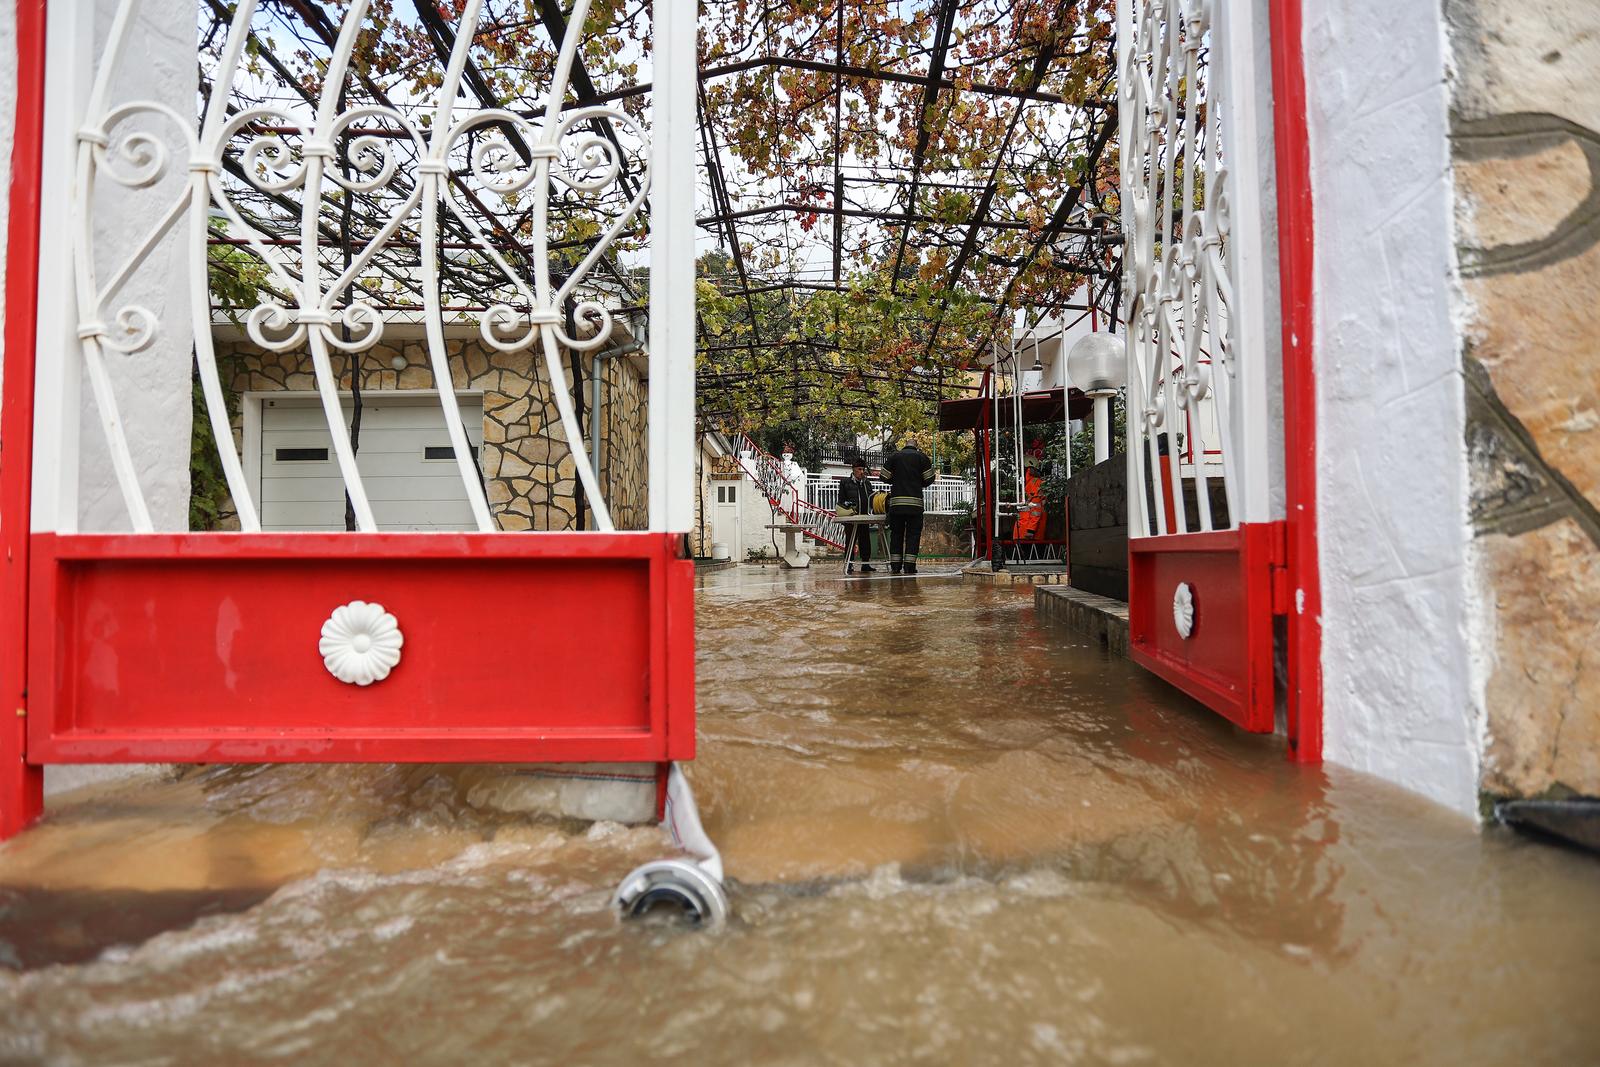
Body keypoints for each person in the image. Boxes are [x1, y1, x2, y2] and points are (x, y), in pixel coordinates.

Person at [879, 438, 936, 575]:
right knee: (913, 536)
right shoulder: (922, 458)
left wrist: (896, 480)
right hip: (915, 506)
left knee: (896, 535)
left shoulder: (894, 456)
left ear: (905, 446)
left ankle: (895, 566)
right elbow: (930, 478)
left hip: (897, 505)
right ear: (916, 446)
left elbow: (883, 476)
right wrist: (918, 482)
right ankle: (910, 567)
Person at [835, 458, 876, 574]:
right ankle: (849, 564)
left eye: (863, 469)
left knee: (865, 541)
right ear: (853, 470)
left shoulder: (867, 483)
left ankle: (866, 564)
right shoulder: (845, 483)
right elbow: (841, 500)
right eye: (859, 469)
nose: (862, 472)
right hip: (851, 518)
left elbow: (871, 498)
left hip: (864, 517)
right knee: (850, 541)